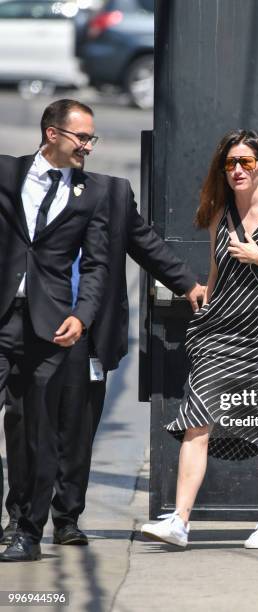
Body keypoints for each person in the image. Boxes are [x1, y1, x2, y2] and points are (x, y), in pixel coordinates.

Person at [2, 151, 205, 544]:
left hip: (86, 330)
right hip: (28, 325)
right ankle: (20, 517)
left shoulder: (107, 193)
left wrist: (187, 283)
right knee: (26, 423)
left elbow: (145, 243)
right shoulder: (20, 188)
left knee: (76, 426)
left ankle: (66, 516)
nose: (87, 147)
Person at [141, 129, 258, 549]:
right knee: (196, 420)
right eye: (231, 163)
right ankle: (180, 520)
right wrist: (203, 318)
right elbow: (216, 277)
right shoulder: (220, 214)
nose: (237, 170)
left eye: (246, 163)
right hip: (222, 337)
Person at [0, 99, 109, 561]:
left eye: (91, 139)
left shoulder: (93, 194)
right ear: (51, 134)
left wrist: (81, 315)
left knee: (34, 431)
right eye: (81, 137)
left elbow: (100, 264)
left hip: (51, 327)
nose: (88, 146)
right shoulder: (6, 175)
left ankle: (26, 528)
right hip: (3, 318)